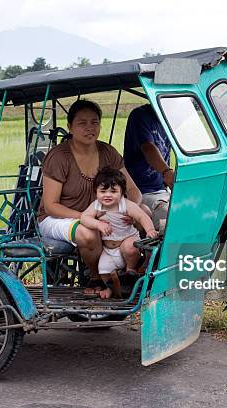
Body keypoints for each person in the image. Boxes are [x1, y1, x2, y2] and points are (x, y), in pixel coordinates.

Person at [38, 99, 142, 293]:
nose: (89, 128)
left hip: (98, 215)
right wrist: (89, 218)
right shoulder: (59, 157)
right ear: (70, 126)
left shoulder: (108, 152)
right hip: (57, 219)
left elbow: (134, 192)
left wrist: (131, 211)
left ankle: (130, 274)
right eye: (82, 123)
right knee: (88, 232)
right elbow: (51, 206)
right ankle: (95, 278)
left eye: (94, 122)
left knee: (143, 212)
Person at [81, 167, 157, 299]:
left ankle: (130, 272)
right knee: (103, 269)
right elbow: (84, 218)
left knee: (130, 247)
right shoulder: (97, 206)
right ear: (96, 192)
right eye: (103, 191)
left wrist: (149, 230)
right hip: (109, 249)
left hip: (126, 240)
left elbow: (141, 216)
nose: (108, 195)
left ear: (122, 192)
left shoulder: (125, 205)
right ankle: (111, 289)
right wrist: (98, 224)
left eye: (113, 191)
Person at [123, 104, 173, 230]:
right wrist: (167, 173)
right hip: (141, 190)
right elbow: (148, 148)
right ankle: (162, 247)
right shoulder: (140, 115)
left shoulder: (173, 116)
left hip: (162, 190)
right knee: (167, 215)